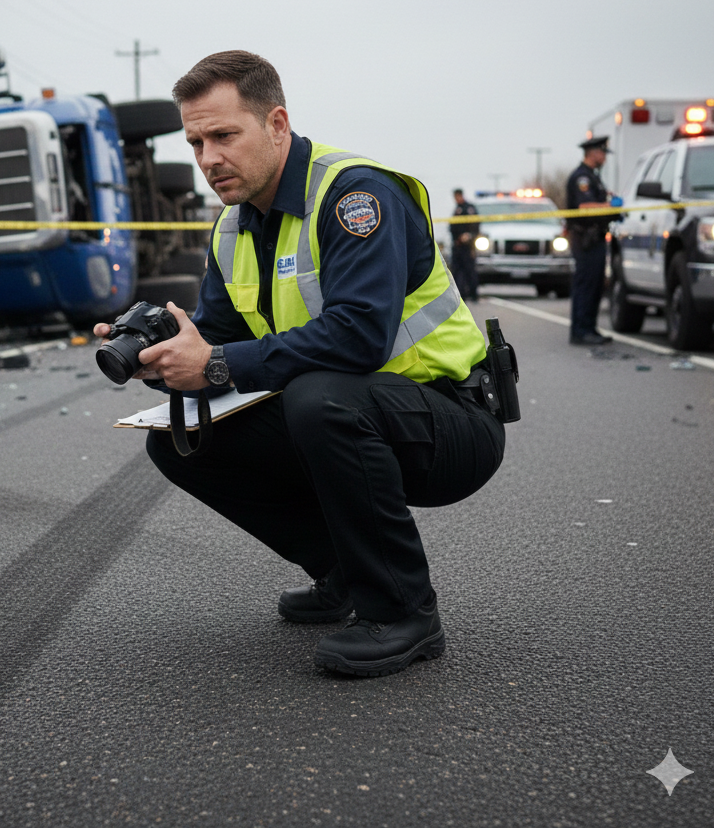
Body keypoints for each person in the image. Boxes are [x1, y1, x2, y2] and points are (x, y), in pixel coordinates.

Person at [95, 51, 505, 678]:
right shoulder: (233, 227)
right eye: (196, 141)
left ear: (277, 123)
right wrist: (168, 355)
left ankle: (404, 612)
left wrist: (218, 364)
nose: (207, 159)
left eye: (224, 135)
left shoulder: (355, 196)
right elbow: (224, 338)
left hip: (451, 420)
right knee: (180, 438)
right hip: (359, 415)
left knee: (321, 395)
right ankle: (343, 573)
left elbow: (360, 337)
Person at [565, 137, 614, 345]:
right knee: (586, 285)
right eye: (602, 153)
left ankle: (589, 328)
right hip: (586, 238)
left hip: (595, 237)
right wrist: (609, 206)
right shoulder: (582, 178)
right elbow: (584, 207)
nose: (604, 157)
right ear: (593, 153)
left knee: (595, 285)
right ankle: (581, 331)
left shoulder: (593, 177)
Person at [449, 189, 480, 302]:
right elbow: (453, 228)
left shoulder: (469, 209)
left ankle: (473, 294)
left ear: (460, 195)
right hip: (457, 247)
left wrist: (469, 236)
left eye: (457, 196)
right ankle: (460, 295)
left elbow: (475, 226)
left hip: (468, 247)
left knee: (469, 270)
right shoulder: (457, 209)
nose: (456, 199)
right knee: (457, 271)